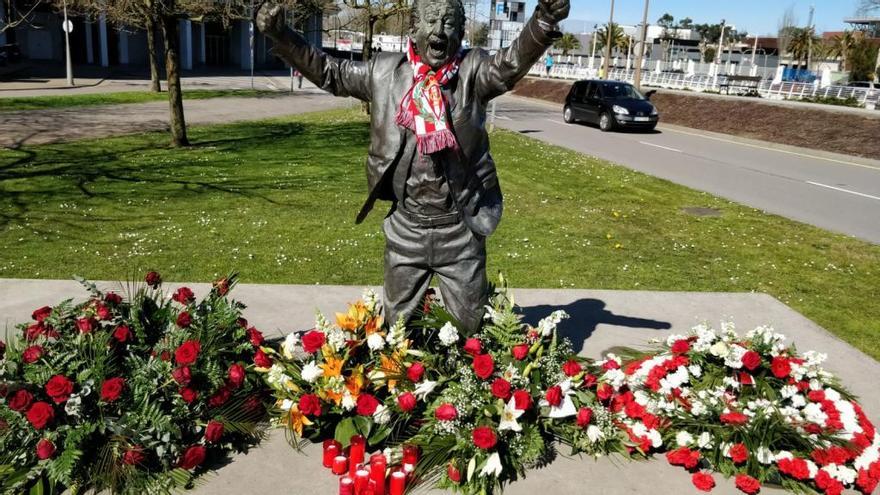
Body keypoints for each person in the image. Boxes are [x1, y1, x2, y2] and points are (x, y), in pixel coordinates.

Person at [257, 0, 569, 332]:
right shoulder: (384, 73)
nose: (439, 31)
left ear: (461, 33)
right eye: (432, 21)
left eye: (449, 23)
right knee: (398, 337)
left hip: (460, 233)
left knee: (470, 334)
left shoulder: (474, 73)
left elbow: (510, 63)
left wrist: (543, 20)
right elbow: (331, 71)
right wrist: (282, 34)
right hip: (407, 230)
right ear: (413, 29)